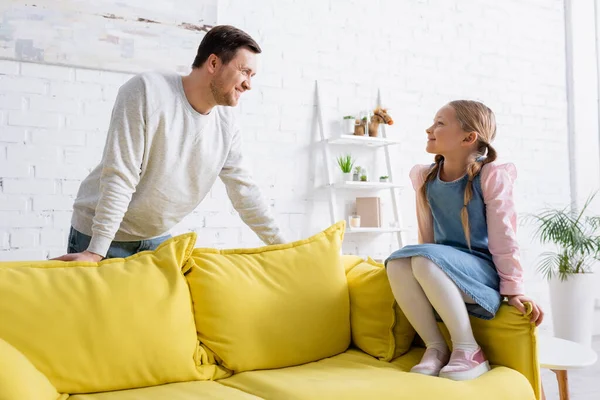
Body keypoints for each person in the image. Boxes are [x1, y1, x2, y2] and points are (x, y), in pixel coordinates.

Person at [54, 25, 285, 261]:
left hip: (156, 238)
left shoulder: (226, 124)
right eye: (244, 71)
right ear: (213, 63)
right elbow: (121, 174)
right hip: (99, 237)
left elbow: (245, 192)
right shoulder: (147, 91)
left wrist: (285, 248)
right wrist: (95, 251)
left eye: (252, 76)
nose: (248, 84)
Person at [385, 100, 543, 381]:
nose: (429, 129)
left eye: (440, 123)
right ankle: (436, 348)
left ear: (468, 138)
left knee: (423, 259)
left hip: (481, 276)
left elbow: (504, 237)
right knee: (398, 264)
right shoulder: (425, 177)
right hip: (440, 269)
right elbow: (427, 239)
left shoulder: (491, 176)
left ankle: (469, 349)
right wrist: (419, 272)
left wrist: (514, 289)